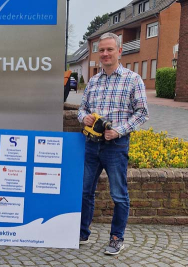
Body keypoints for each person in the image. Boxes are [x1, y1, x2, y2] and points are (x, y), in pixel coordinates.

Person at [78, 32, 149, 255]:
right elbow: (82, 109)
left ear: (119, 51)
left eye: (110, 49)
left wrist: (119, 131)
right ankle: (82, 233)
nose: (105, 54)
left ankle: (117, 238)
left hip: (116, 146)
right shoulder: (93, 81)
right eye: (102, 50)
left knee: (118, 194)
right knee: (84, 191)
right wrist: (84, 118)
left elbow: (142, 113)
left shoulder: (132, 79)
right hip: (91, 144)